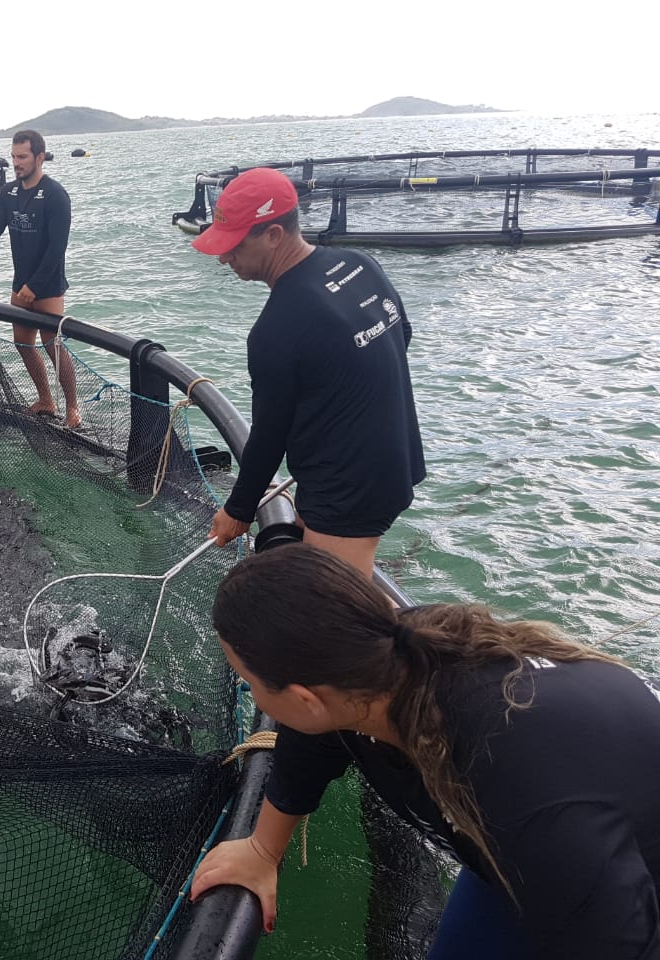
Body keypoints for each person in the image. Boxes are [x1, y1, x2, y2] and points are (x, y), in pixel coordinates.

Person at [195, 543, 660, 958]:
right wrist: (262, 849)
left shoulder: (518, 783)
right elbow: (310, 742)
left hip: (612, 885)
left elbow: (622, 939)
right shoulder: (379, 657)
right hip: (517, 855)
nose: (248, 691)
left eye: (249, 681)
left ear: (305, 699)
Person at [192, 167, 424, 577]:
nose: (225, 257)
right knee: (345, 594)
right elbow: (400, 335)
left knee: (334, 618)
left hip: (349, 490)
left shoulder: (275, 330)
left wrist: (238, 510)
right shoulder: (360, 264)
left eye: (234, 245)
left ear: (274, 235)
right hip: (396, 457)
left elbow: (269, 435)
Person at [0, 130, 80, 428]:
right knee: (23, 343)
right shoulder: (8, 194)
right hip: (20, 284)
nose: (16, 163)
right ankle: (45, 399)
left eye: (23, 157)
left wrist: (35, 287)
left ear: (39, 157)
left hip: (49, 286)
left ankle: (73, 410)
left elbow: (57, 249)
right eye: (14, 156)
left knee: (52, 344)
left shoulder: (56, 195)